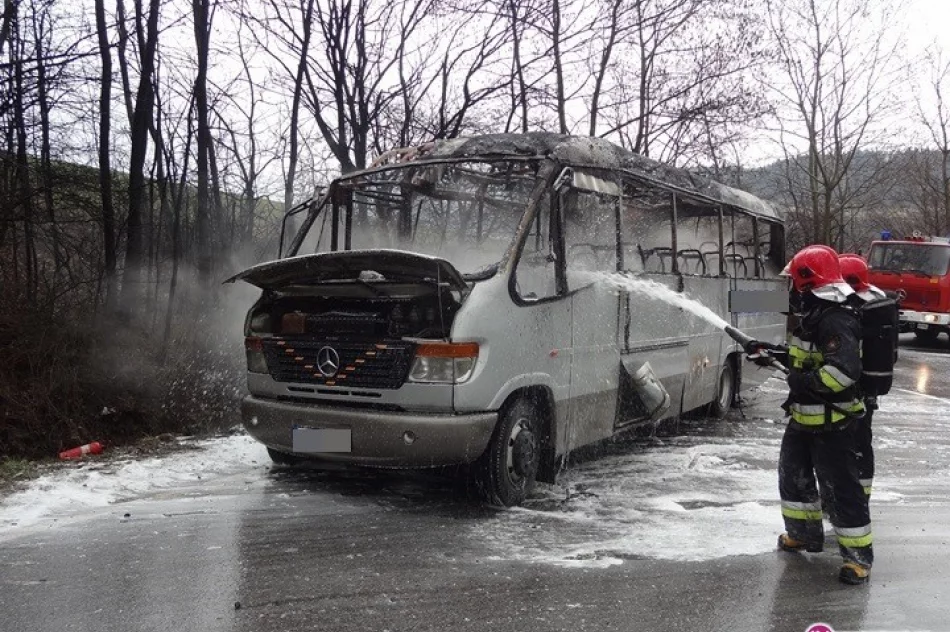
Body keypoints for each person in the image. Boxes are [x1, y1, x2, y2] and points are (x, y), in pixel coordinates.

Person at [746, 245, 873, 585]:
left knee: (840, 490)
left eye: (795, 283)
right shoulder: (814, 315)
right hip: (804, 419)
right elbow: (805, 359)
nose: (791, 290)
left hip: (834, 422)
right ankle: (801, 534)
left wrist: (802, 381)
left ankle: (857, 558)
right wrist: (770, 353)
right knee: (793, 479)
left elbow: (843, 373)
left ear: (808, 281)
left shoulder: (836, 319)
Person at [839, 253, 896, 500]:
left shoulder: (855, 306)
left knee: (847, 444)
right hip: (868, 389)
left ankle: (851, 496)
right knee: (862, 443)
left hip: (853, 387)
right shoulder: (878, 303)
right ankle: (861, 494)